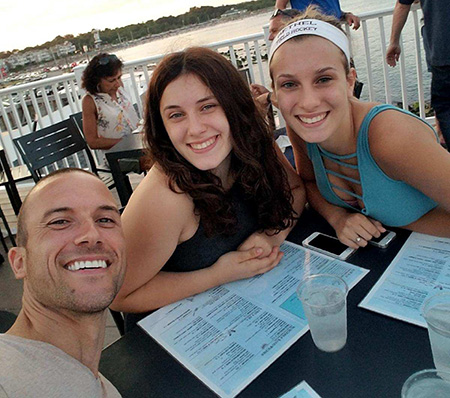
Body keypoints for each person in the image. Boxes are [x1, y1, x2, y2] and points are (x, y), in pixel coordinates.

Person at [110, 47, 305, 330]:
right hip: (177, 335)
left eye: (207, 106)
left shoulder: (252, 143)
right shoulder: (166, 197)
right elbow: (118, 295)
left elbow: (296, 190)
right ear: (162, 126)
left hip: (247, 314)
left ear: (234, 106)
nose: (195, 129)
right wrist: (216, 275)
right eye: (176, 115)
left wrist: (273, 236)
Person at [269, 6, 450, 249]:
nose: (308, 102)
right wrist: (338, 217)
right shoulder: (304, 127)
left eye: (323, 79)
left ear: (349, 80)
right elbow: (309, 184)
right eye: (289, 84)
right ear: (276, 94)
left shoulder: (389, 137)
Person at [0, 169, 126, 397]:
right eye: (59, 222)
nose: (92, 234)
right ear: (19, 262)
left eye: (105, 220)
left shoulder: (100, 385)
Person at [386, 0, 450, 150]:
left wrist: (394, 41)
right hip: (442, 52)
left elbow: (402, 5)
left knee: (445, 108)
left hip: (443, 51)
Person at [82, 53, 142, 173]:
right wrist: (126, 144)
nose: (118, 83)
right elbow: (92, 142)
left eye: (119, 78)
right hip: (116, 158)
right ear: (97, 80)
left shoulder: (119, 90)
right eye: (111, 80)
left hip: (136, 148)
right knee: (158, 160)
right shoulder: (90, 101)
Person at [274, 0, 360, 30]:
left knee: (345, 67)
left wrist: (345, 15)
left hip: (336, 32)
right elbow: (280, 8)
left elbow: (330, 8)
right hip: (311, 36)